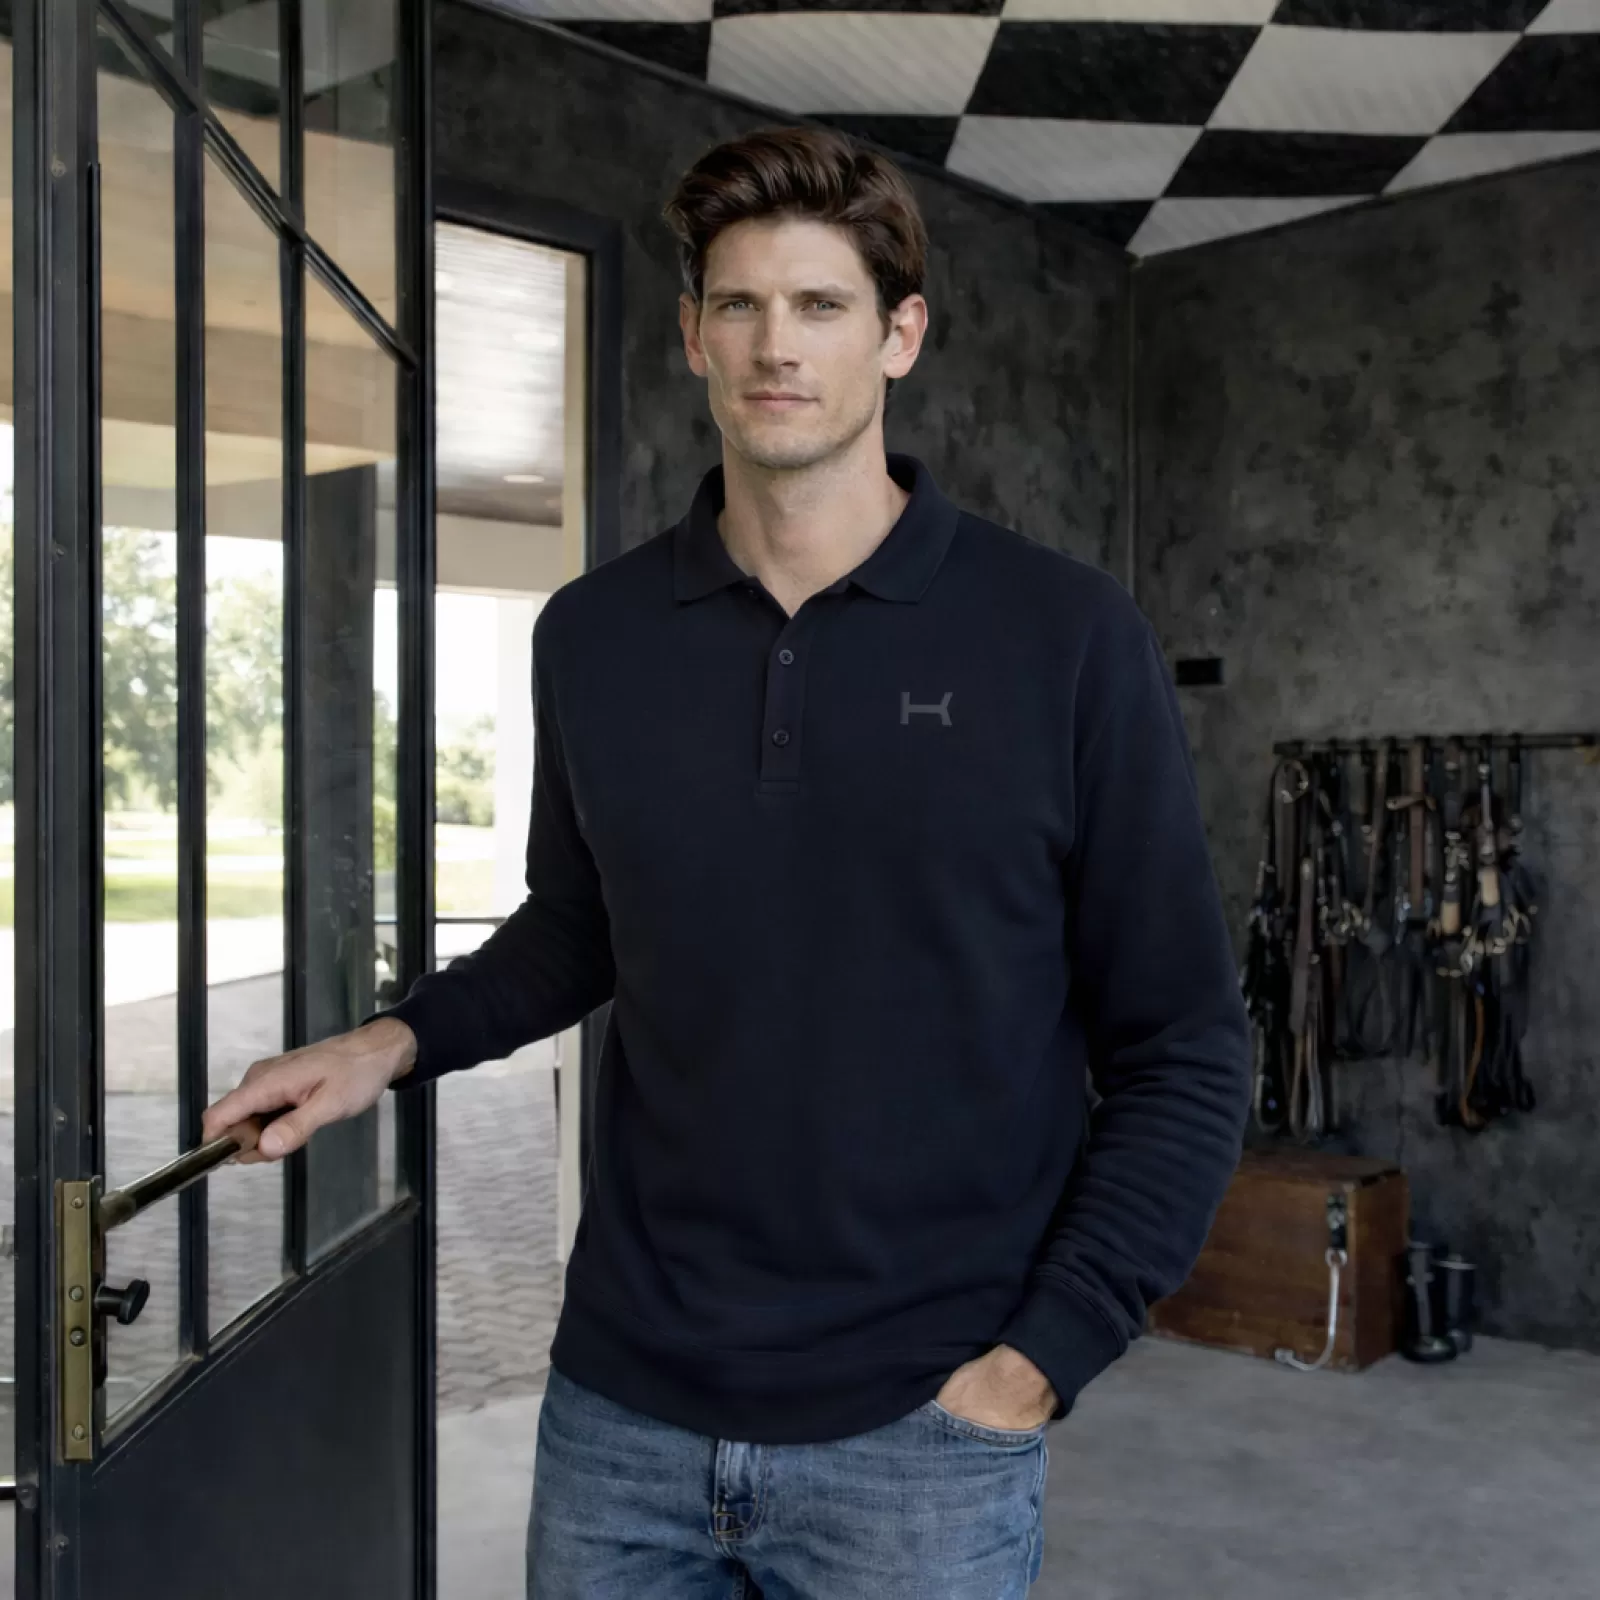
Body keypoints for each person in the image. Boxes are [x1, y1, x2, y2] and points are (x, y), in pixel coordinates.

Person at [203, 124, 1253, 1598]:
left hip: (924, 1426)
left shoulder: (1066, 638)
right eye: (741, 305)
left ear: (900, 336)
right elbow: (581, 924)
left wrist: (1041, 1357)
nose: (778, 345)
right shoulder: (595, 635)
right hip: (622, 1412)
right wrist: (386, 1044)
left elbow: (1184, 1044)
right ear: (694, 335)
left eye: (822, 305)